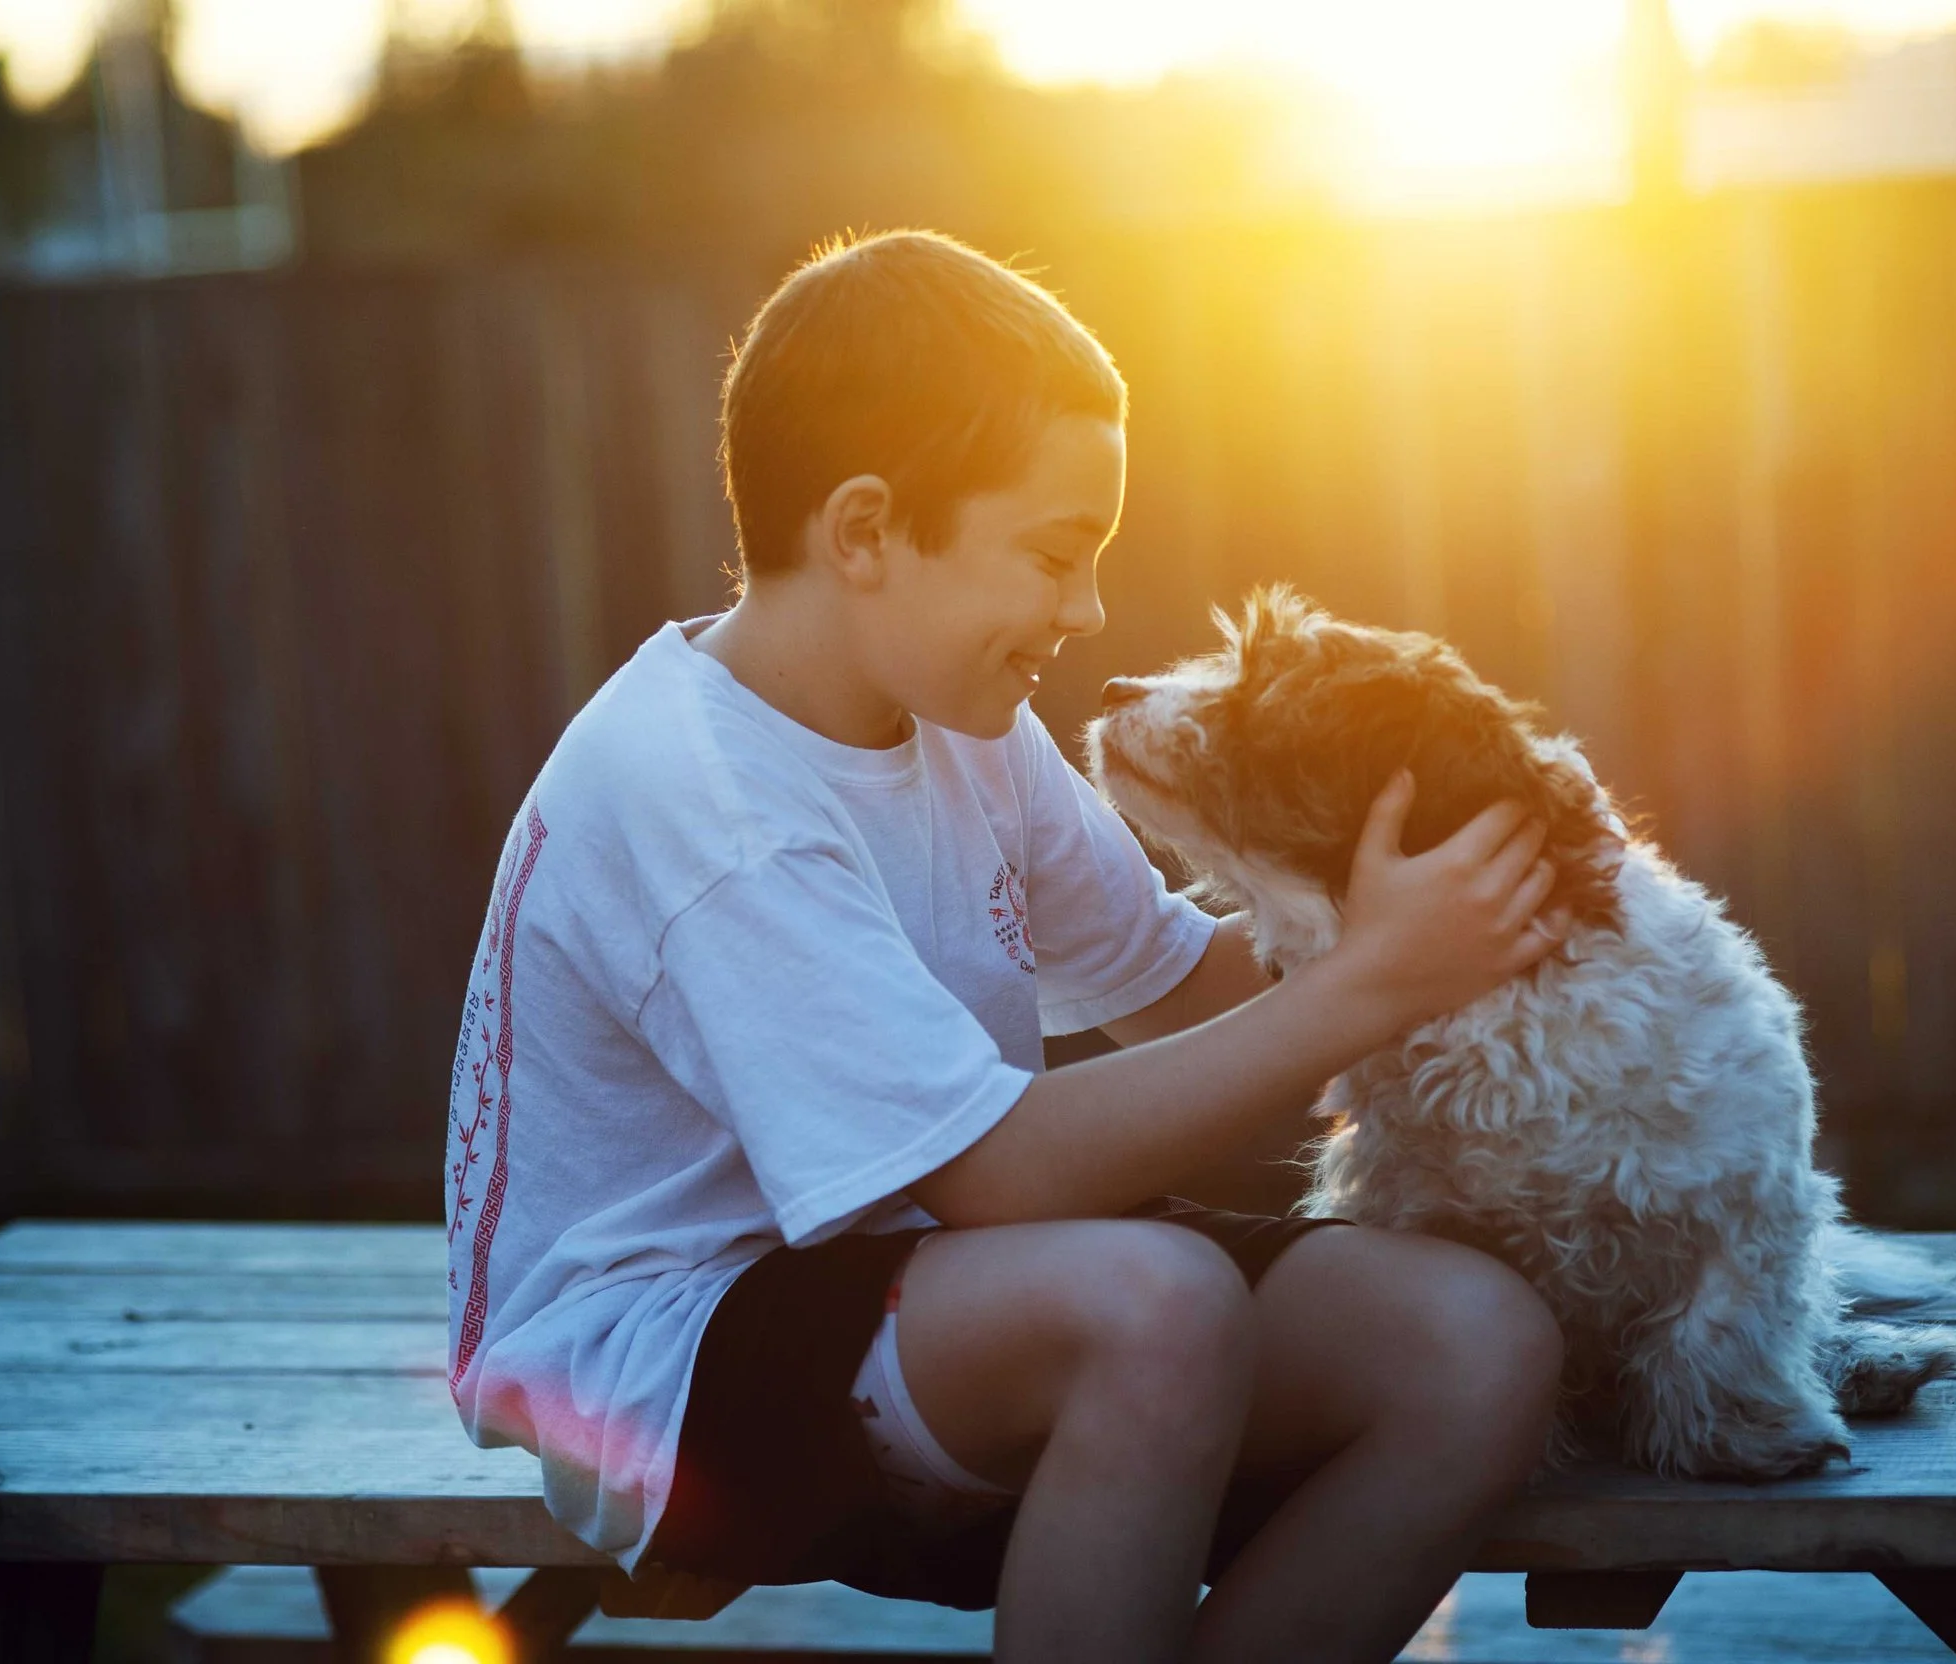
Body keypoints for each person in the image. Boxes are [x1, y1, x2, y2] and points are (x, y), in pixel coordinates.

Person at [444, 229, 1565, 1662]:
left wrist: (1437, 926)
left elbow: (1174, 986)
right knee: (1154, 1307)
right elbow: (993, 1172)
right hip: (655, 1357)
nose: (1085, 614)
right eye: (1053, 555)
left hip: (940, 1289)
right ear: (864, 533)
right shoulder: (709, 803)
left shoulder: (963, 720)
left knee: (1476, 1342)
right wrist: (1369, 984)